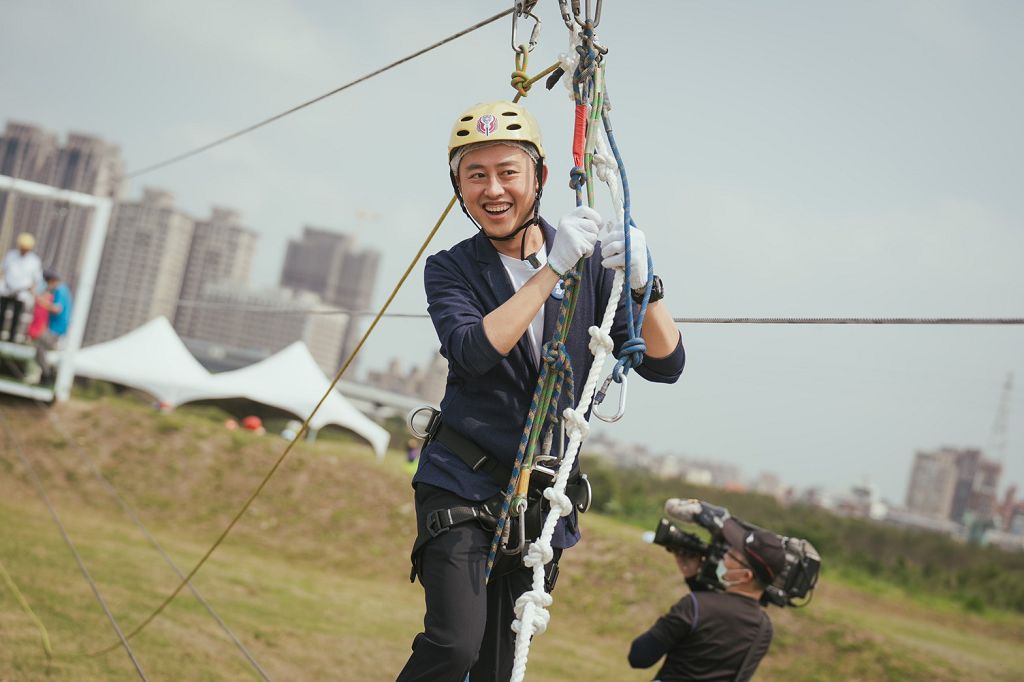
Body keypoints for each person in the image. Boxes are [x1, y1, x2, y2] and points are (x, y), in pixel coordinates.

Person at [397, 100, 685, 682]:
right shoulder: (451, 269)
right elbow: (474, 351)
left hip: (537, 498)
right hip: (461, 481)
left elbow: (666, 363)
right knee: (454, 645)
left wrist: (645, 285)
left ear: (540, 179)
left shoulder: (590, 266)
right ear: (458, 187)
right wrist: (550, 270)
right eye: (475, 175)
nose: (493, 189)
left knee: (497, 670)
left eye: (508, 172)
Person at [628, 518, 787, 682]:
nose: (723, 558)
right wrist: (693, 578)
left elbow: (639, 656)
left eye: (731, 555)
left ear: (745, 576)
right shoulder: (764, 630)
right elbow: (718, 616)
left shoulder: (692, 608)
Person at [28, 269, 72, 385]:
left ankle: (48, 375)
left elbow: (57, 309)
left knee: (37, 341)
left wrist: (41, 302)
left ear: (52, 281)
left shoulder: (60, 290)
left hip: (56, 329)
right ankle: (46, 375)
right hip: (53, 328)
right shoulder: (62, 290)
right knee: (40, 349)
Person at [0, 232, 44, 342]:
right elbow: (3, 271)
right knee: (2, 313)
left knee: (17, 316)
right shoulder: (11, 255)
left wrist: (32, 292)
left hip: (22, 293)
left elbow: (36, 280)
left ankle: (11, 338)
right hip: (7, 289)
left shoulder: (34, 261)